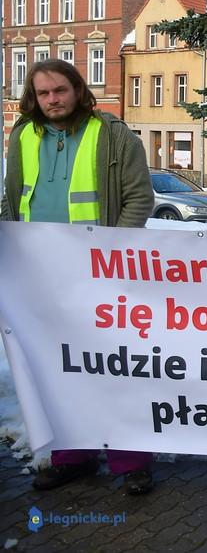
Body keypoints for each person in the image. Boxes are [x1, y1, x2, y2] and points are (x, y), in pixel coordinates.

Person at [0, 59, 155, 494]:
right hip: (42, 277)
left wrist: (113, 257)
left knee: (115, 368)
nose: (53, 99)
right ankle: (73, 456)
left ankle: (131, 462)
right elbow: (13, 199)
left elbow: (139, 199)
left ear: (77, 89)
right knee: (58, 369)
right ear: (34, 97)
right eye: (43, 93)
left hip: (101, 276)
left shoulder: (113, 134)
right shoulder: (22, 135)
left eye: (60, 90)